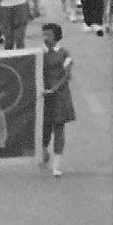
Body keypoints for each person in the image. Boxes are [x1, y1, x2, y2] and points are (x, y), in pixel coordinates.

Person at [41, 22, 75, 177]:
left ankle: (56, 165)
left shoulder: (64, 53)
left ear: (56, 36)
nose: (45, 37)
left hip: (60, 96)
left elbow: (67, 75)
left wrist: (54, 89)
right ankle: (43, 150)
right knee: (45, 129)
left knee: (59, 129)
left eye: (48, 34)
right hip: (44, 97)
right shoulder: (40, 53)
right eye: (44, 34)